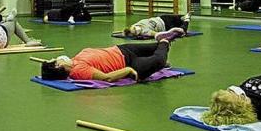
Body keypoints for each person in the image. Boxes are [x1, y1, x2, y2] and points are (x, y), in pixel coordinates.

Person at [40, 27, 185, 82]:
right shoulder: (79, 71)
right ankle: (164, 41)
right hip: (129, 64)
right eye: (56, 61)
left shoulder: (73, 61)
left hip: (122, 50)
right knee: (160, 58)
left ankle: (162, 43)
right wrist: (128, 70)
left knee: (156, 47)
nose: (59, 58)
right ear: (60, 67)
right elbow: (106, 78)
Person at [124, 13, 190, 38]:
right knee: (182, 31)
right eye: (135, 32)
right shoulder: (145, 32)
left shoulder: (135, 25)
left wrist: (125, 32)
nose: (137, 29)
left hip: (162, 18)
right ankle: (187, 20)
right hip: (166, 26)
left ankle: (185, 17)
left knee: (181, 17)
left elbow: (127, 30)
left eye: (135, 28)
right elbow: (157, 34)